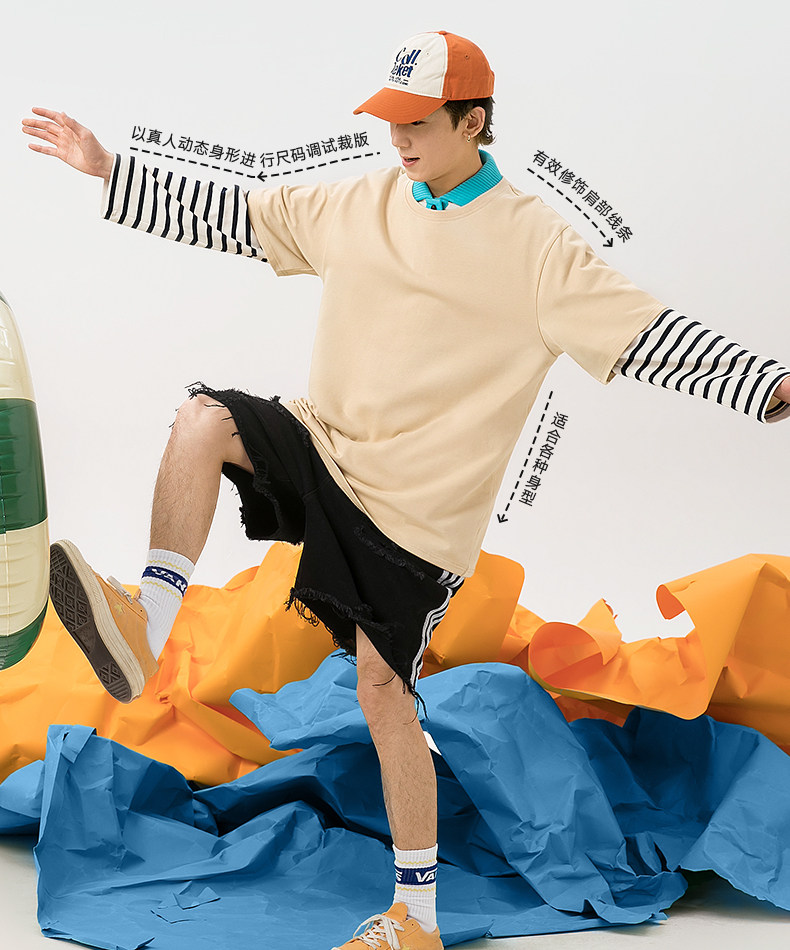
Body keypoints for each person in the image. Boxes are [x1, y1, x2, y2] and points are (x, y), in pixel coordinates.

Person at [22, 29, 790, 950]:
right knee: (202, 420)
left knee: (383, 692)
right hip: (325, 446)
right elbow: (239, 215)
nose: (399, 140)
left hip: (415, 520)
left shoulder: (538, 247)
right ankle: (148, 625)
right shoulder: (363, 202)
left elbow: (650, 334)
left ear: (474, 123)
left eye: (419, 124)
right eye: (391, 122)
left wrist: (771, 385)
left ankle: (414, 914)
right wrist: (111, 170)